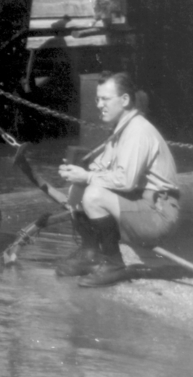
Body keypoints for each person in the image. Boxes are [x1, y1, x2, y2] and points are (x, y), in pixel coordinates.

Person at [56, 72, 180, 287]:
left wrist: (87, 176)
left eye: (105, 99)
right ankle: (90, 254)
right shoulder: (119, 132)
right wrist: (76, 174)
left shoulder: (137, 131)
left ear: (124, 100)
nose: (99, 105)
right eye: (98, 99)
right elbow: (101, 170)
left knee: (94, 195)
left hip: (157, 214)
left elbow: (125, 181)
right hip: (139, 206)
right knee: (78, 188)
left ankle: (114, 264)